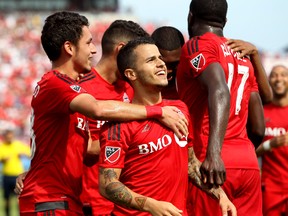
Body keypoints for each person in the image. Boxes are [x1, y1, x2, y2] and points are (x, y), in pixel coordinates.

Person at [17, 11, 188, 216]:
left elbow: (85, 147)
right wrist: (158, 112)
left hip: (66, 200)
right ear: (69, 48)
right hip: (55, 200)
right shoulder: (59, 84)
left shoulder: (79, 90)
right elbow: (98, 109)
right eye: (89, 43)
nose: (93, 50)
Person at [98, 37, 236, 216]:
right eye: (151, 60)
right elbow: (107, 184)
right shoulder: (119, 124)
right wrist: (150, 205)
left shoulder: (180, 109)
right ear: (131, 74)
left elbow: (191, 164)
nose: (161, 64)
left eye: (160, 58)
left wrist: (221, 196)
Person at [176, 0, 264, 215]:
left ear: (190, 16)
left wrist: (214, 154)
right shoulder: (243, 55)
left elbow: (220, 90)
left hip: (209, 161)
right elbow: (259, 128)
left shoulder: (197, 45)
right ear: (224, 21)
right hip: (248, 162)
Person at [80, 20, 149, 216]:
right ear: (121, 50)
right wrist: (126, 141)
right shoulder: (81, 91)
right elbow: (79, 149)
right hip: (94, 204)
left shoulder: (133, 87)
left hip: (131, 205)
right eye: (136, 56)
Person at [256, 65, 288, 216]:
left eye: (283, 75)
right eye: (274, 75)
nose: (279, 79)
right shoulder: (261, 112)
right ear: (269, 80)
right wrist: (270, 145)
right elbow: (251, 151)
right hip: (270, 188)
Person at [0, 129, 30, 216]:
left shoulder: (18, 145)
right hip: (7, 176)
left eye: (11, 136)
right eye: (8, 137)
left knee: (19, 198)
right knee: (7, 199)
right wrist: (3, 159)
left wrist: (23, 153)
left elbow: (29, 153)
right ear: (5, 137)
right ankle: (7, 214)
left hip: (17, 176)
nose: (10, 138)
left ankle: (19, 213)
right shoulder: (2, 147)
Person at [151, 26, 185, 99]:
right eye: (163, 64)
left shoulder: (195, 87)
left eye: (174, 64)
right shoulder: (134, 87)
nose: (168, 71)